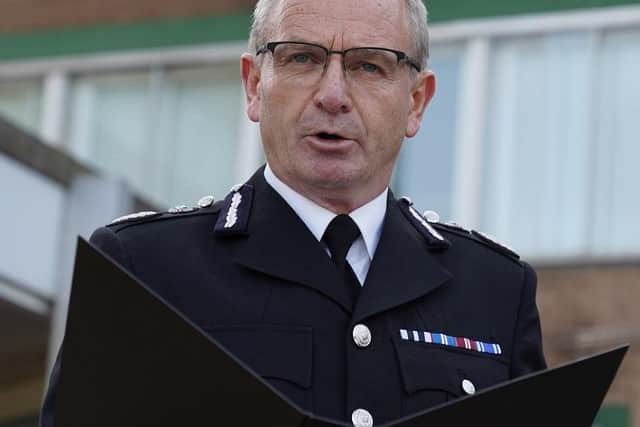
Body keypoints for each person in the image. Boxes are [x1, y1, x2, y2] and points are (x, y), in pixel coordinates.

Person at [41, 0, 546, 425]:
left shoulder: (496, 291)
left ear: (416, 101)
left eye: (369, 65)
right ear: (254, 85)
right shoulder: (144, 269)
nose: (332, 95)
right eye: (302, 58)